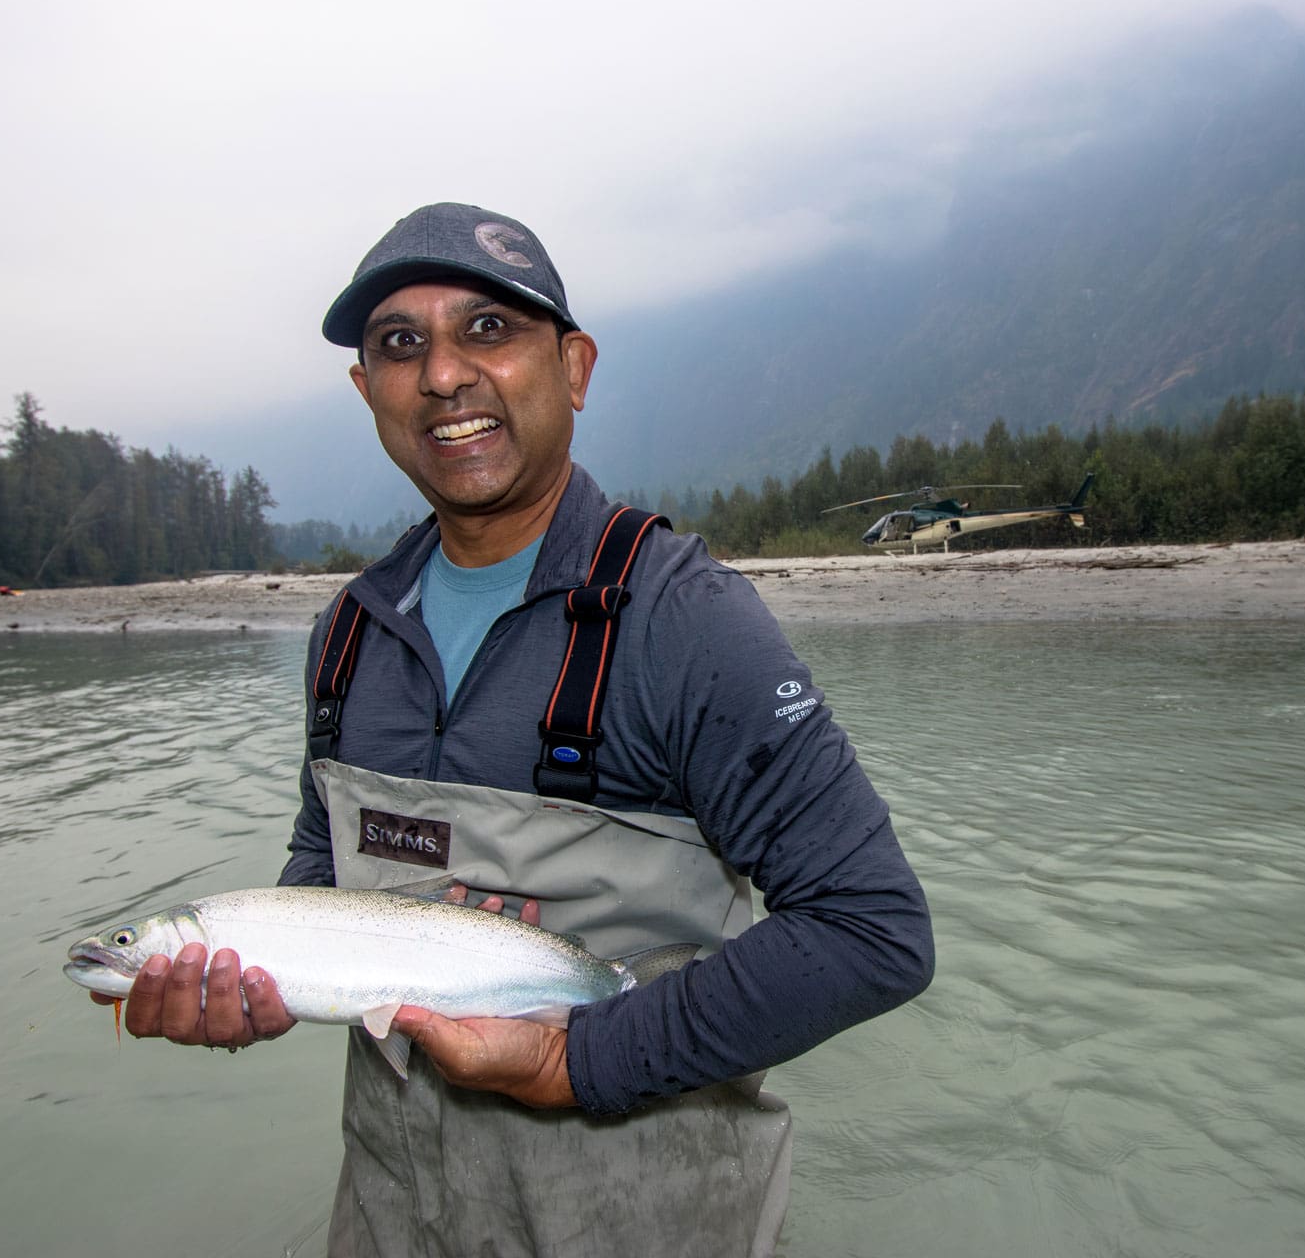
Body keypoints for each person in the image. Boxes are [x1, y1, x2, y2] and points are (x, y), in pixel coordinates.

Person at [96, 202, 934, 1256]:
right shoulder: (349, 634)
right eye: (400, 344)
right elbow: (323, 869)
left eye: (488, 329)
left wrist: (571, 1059)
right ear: (369, 393)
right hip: (397, 1215)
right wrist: (257, 983)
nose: (443, 374)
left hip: (649, 1219)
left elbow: (874, 931)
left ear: (573, 367)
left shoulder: (685, 618)